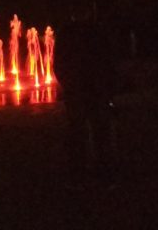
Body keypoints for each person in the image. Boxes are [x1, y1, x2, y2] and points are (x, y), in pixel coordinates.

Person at [53, 10, 118, 188]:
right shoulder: (96, 31)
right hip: (90, 88)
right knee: (94, 128)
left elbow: (58, 62)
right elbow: (109, 60)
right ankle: (97, 168)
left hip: (83, 88)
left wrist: (67, 82)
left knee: (83, 128)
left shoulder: (69, 32)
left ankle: (83, 168)